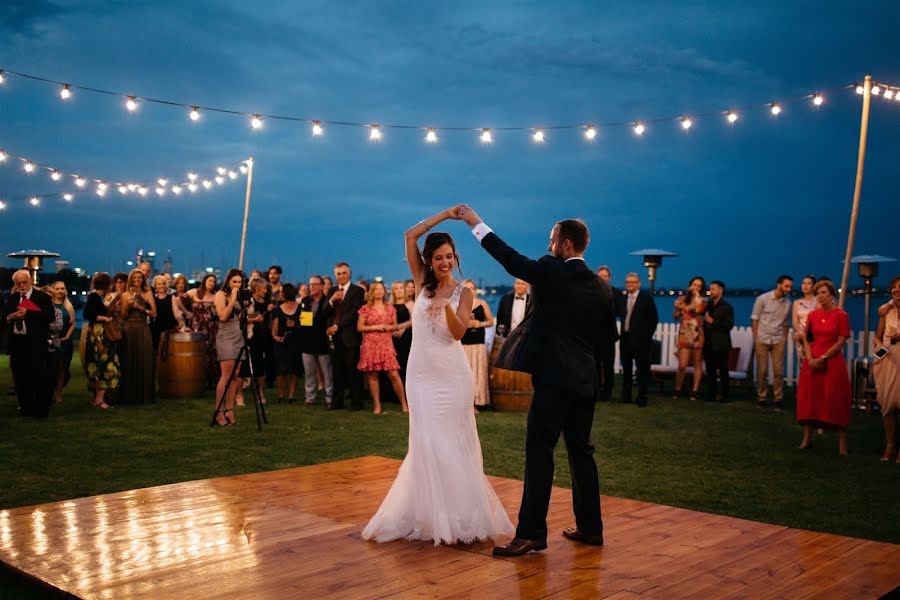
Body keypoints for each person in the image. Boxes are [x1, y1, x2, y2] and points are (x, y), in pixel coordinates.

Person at [461, 205, 613, 557]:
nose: (548, 247)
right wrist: (597, 381)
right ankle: (591, 528)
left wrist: (477, 225)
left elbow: (510, 259)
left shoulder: (551, 271)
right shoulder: (603, 289)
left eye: (552, 241)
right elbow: (607, 344)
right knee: (582, 453)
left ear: (566, 245)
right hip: (585, 381)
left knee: (540, 452)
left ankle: (530, 533)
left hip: (555, 380)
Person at [363, 208, 513, 546]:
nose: (445, 262)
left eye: (449, 256)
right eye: (438, 257)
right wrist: (446, 215)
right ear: (428, 261)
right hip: (420, 374)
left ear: (455, 258)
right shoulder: (420, 282)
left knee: (452, 442)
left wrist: (445, 306)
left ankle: (458, 517)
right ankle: (428, 515)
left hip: (451, 376)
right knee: (425, 442)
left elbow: (458, 333)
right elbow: (409, 235)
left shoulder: (464, 292)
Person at [797, 280, 851, 455]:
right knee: (810, 398)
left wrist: (823, 357)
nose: (820, 296)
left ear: (832, 295)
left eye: (824, 293)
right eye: (818, 293)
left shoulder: (841, 315)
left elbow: (841, 341)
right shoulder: (812, 315)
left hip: (832, 361)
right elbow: (807, 338)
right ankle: (807, 438)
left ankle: (842, 443)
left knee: (835, 398)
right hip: (812, 361)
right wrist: (810, 357)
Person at [3, 270, 55, 418]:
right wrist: (12, 316)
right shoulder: (13, 299)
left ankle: (40, 410)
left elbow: (50, 316)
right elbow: (4, 319)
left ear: (30, 280)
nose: (21, 285)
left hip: (35, 344)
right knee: (20, 379)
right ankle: (25, 409)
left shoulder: (42, 297)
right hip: (17, 345)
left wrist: (28, 314)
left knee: (37, 378)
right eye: (18, 283)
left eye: (24, 282)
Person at [357, 281, 408, 414]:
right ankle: (377, 405)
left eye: (381, 289)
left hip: (386, 343)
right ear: (372, 292)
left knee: (393, 373)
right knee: (373, 375)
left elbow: (395, 326)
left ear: (385, 292)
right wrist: (375, 327)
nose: (379, 292)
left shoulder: (390, 308)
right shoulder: (365, 308)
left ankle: (404, 403)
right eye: (376, 289)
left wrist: (388, 327)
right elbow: (359, 327)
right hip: (370, 344)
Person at [327, 262, 366, 410]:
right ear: (335, 275)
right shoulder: (331, 291)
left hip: (350, 337)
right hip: (334, 338)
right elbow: (325, 312)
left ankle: (356, 402)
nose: (341, 276)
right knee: (336, 371)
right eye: (338, 273)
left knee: (353, 371)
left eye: (344, 273)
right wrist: (331, 300)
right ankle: (337, 402)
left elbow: (354, 313)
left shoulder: (357, 291)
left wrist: (337, 326)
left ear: (349, 273)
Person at [752, 275, 793, 409]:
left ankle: (778, 399)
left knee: (778, 371)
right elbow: (755, 319)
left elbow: (786, 323)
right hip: (762, 338)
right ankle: (761, 397)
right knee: (762, 371)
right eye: (786, 286)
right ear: (778, 284)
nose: (789, 289)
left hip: (778, 339)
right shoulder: (762, 299)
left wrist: (784, 339)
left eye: (790, 286)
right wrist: (756, 337)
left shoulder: (788, 304)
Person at [618, 272, 659, 407]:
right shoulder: (623, 299)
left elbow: (653, 320)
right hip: (626, 339)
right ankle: (626, 397)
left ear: (639, 283)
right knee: (627, 369)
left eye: (632, 282)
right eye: (627, 282)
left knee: (642, 370)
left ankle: (642, 397)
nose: (630, 284)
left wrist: (646, 336)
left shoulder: (646, 299)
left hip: (641, 341)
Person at [82, 273, 119, 409]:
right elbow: (88, 314)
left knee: (98, 365)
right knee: (104, 365)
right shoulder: (95, 297)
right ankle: (99, 400)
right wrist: (105, 319)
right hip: (99, 336)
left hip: (96, 335)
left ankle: (98, 398)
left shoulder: (95, 297)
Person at [213, 269, 245, 426]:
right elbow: (222, 316)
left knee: (235, 375)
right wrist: (232, 299)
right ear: (228, 282)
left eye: (240, 282)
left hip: (238, 336)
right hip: (225, 337)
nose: (237, 285)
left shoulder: (241, 296)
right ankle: (218, 412)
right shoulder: (221, 295)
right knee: (226, 375)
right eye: (234, 282)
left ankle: (229, 410)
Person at [119, 269, 156, 404]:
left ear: (143, 279)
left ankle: (144, 395)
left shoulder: (147, 294)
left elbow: (153, 313)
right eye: (134, 278)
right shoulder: (125, 295)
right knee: (128, 359)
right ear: (130, 279)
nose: (137, 280)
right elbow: (122, 316)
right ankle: (128, 396)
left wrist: (141, 308)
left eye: (139, 278)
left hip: (142, 328)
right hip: (129, 328)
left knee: (144, 358)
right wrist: (127, 307)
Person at [873, 275, 900, 463]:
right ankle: (889, 444)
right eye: (895, 287)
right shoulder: (886, 311)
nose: (897, 290)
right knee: (887, 405)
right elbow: (878, 336)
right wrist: (879, 347)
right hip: (888, 360)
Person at [300, 275, 334, 406]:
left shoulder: (327, 301)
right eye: (310, 284)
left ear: (322, 286)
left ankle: (329, 398)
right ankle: (310, 397)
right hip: (308, 342)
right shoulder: (306, 301)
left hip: (322, 343)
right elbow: (305, 322)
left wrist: (314, 321)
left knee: (327, 373)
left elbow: (322, 319)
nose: (311, 287)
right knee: (309, 373)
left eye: (314, 284)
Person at [461, 278, 494, 411]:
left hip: (478, 344)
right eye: (467, 289)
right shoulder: (459, 305)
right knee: (465, 374)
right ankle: (465, 403)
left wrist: (480, 324)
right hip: (463, 344)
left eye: (472, 288)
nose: (470, 291)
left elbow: (491, 322)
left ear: (475, 291)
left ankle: (477, 402)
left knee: (477, 373)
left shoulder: (483, 303)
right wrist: (464, 325)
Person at [673, 277, 707, 400]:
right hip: (684, 334)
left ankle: (694, 390)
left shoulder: (702, 300)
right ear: (690, 285)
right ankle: (677, 389)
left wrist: (695, 296)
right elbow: (676, 316)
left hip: (697, 334)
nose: (696, 287)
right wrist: (677, 308)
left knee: (697, 363)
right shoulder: (682, 299)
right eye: (694, 284)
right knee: (682, 365)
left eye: (699, 286)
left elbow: (698, 309)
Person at [703, 281, 734, 403]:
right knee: (710, 370)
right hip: (708, 341)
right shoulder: (708, 305)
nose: (712, 291)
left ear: (721, 290)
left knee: (723, 370)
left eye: (714, 289)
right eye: (711, 289)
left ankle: (725, 395)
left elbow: (729, 325)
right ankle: (711, 394)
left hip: (721, 343)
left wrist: (713, 322)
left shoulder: (727, 307)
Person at [272, 283, 303, 403]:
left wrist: (296, 325)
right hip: (281, 343)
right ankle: (281, 395)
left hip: (296, 342)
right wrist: (275, 337)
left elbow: (307, 325)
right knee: (280, 370)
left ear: (286, 293)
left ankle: (291, 396)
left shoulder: (301, 308)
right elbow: (274, 328)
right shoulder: (277, 309)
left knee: (294, 370)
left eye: (281, 292)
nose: (280, 294)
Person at [241, 278, 270, 405]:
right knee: (244, 365)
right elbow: (242, 318)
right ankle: (239, 394)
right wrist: (254, 320)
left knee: (260, 366)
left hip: (262, 337)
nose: (266, 290)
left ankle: (260, 392)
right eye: (264, 288)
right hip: (249, 336)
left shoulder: (265, 302)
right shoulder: (249, 302)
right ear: (257, 289)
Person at [189, 273, 219, 389]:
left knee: (212, 353)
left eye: (214, 281)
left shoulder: (216, 295)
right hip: (197, 327)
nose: (212, 283)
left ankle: (212, 380)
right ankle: (198, 379)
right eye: (210, 280)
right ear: (205, 281)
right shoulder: (194, 292)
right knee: (199, 352)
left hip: (212, 327)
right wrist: (187, 313)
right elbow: (176, 299)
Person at [596, 266, 620, 401]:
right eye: (600, 276)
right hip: (594, 335)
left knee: (608, 365)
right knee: (595, 365)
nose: (603, 278)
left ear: (609, 278)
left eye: (605, 276)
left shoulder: (616, 293)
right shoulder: (592, 290)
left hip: (609, 335)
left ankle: (607, 392)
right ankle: (597, 390)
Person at [49, 281, 76, 403]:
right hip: (51, 341)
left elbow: (73, 323)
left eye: (62, 288)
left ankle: (59, 393)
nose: (60, 291)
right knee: (52, 367)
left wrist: (67, 337)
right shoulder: (49, 305)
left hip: (65, 341)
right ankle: (51, 391)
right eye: (57, 288)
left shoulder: (68, 306)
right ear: (53, 290)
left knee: (62, 368)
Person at [150, 275, 178, 356]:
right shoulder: (152, 299)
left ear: (166, 285)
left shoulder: (171, 297)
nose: (161, 286)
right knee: (157, 353)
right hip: (156, 329)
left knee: (170, 353)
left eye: (163, 284)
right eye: (159, 284)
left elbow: (176, 313)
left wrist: (181, 324)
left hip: (169, 328)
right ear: (155, 286)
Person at [792, 275, 817, 362]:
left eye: (809, 283)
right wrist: (800, 332)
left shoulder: (817, 301)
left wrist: (808, 334)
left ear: (814, 286)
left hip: (814, 336)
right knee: (802, 363)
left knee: (813, 360)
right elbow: (795, 320)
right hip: (800, 336)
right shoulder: (797, 302)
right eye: (803, 283)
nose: (805, 286)